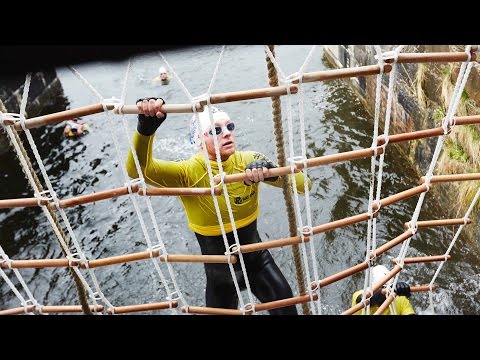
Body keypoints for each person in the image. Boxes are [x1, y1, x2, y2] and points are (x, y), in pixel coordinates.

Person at [126, 97, 312, 315]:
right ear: (198, 139)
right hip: (220, 278)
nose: (227, 133)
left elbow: (304, 185)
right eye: (215, 130)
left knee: (289, 312)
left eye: (229, 127)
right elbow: (138, 171)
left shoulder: (250, 161)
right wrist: (145, 132)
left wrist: (270, 173)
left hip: (259, 264)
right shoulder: (187, 173)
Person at [351, 264, 415, 315]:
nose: (386, 290)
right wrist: (387, 291)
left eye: (387, 286)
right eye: (383, 287)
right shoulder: (360, 294)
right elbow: (368, 300)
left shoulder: (400, 299)